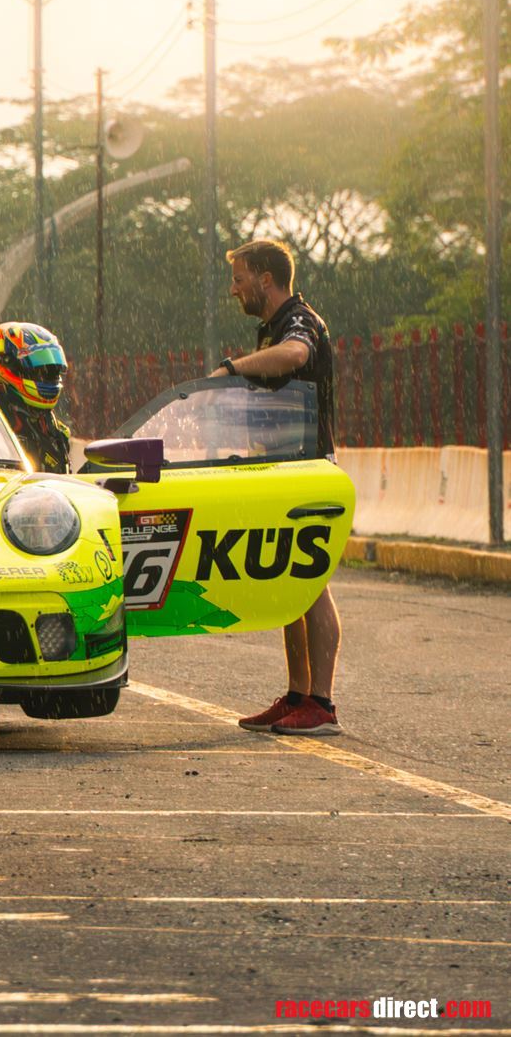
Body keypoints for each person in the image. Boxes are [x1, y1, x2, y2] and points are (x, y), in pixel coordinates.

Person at [210, 239, 343, 736]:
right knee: (291, 584)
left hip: (309, 468)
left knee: (312, 584)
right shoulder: (272, 324)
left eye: (240, 278)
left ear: (266, 279)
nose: (235, 288)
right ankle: (297, 696)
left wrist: (233, 367)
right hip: (282, 469)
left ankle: (323, 704)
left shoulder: (298, 320)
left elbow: (294, 355)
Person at [0, 321, 72, 474]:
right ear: (5, 362)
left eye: (51, 370)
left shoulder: (53, 427)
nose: (46, 377)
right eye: (38, 369)